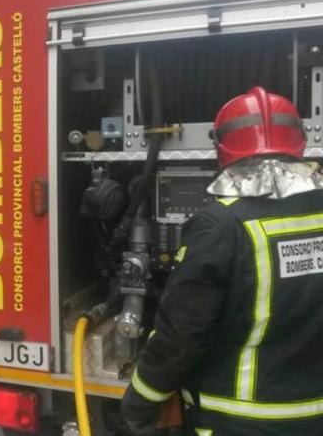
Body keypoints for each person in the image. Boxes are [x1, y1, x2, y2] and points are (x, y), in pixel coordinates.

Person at [122, 87, 323, 435]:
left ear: (223, 149)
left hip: (242, 420)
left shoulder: (220, 226)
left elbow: (182, 335)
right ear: (300, 143)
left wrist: (140, 401)